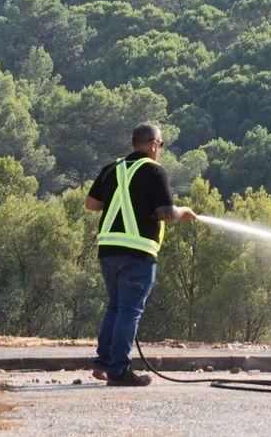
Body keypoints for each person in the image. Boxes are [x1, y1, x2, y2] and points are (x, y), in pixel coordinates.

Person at [84, 123, 197, 386]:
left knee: (114, 307)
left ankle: (103, 363)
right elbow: (166, 214)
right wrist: (183, 211)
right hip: (138, 253)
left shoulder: (111, 169)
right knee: (129, 311)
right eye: (161, 144)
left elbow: (91, 204)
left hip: (108, 251)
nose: (160, 149)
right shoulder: (155, 171)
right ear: (154, 144)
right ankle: (118, 371)